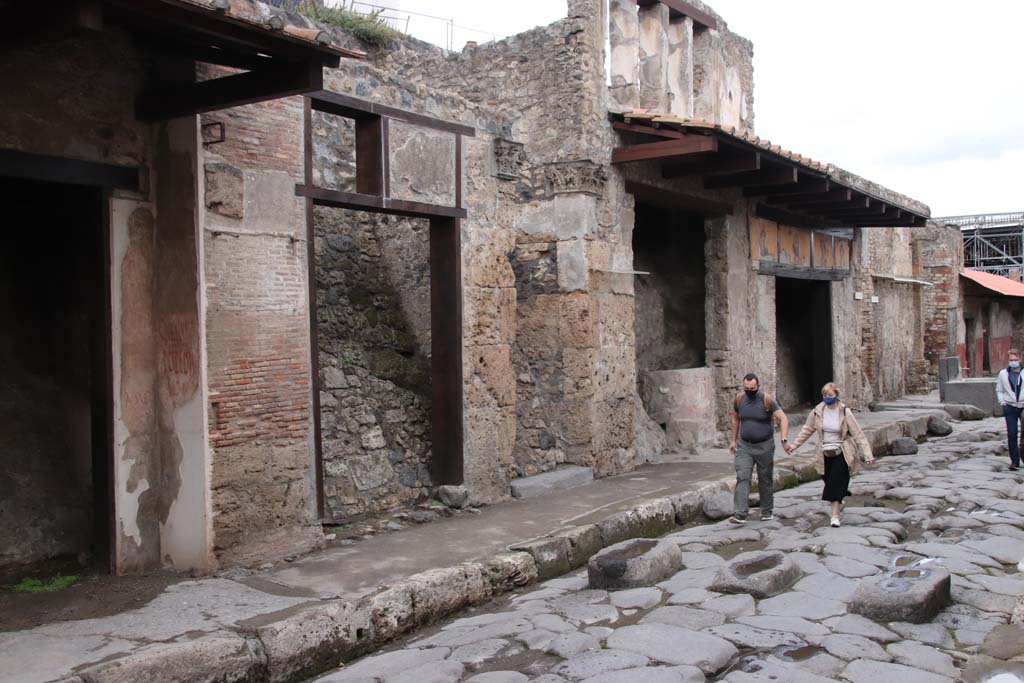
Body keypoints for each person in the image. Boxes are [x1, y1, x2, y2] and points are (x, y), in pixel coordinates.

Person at [785, 382, 874, 527]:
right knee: (828, 480)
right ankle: (838, 500)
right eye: (825, 395)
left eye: (830, 395)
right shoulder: (817, 412)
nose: (827, 398)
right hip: (824, 452)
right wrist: (794, 446)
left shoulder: (845, 412)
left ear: (837, 396)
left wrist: (867, 454)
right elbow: (807, 430)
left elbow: (858, 434)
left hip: (842, 451)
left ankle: (834, 516)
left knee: (835, 483)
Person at [729, 373, 789, 523]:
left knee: (765, 478)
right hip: (745, 446)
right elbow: (735, 419)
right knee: (742, 476)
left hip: (765, 445)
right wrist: (733, 440)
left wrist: (784, 438)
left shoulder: (767, 400)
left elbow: (783, 418)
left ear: (758, 387)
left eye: (752, 388)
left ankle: (767, 510)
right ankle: (740, 513)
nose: (749, 390)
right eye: (746, 388)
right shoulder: (739, 399)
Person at [996, 349, 1024, 472]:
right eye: (1011, 360)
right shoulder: (1003, 374)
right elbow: (999, 390)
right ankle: (1015, 460)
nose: (1013, 362)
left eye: (1015, 360)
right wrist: (1003, 402)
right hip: (1010, 407)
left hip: (1023, 406)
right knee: (1012, 434)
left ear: (1020, 360)